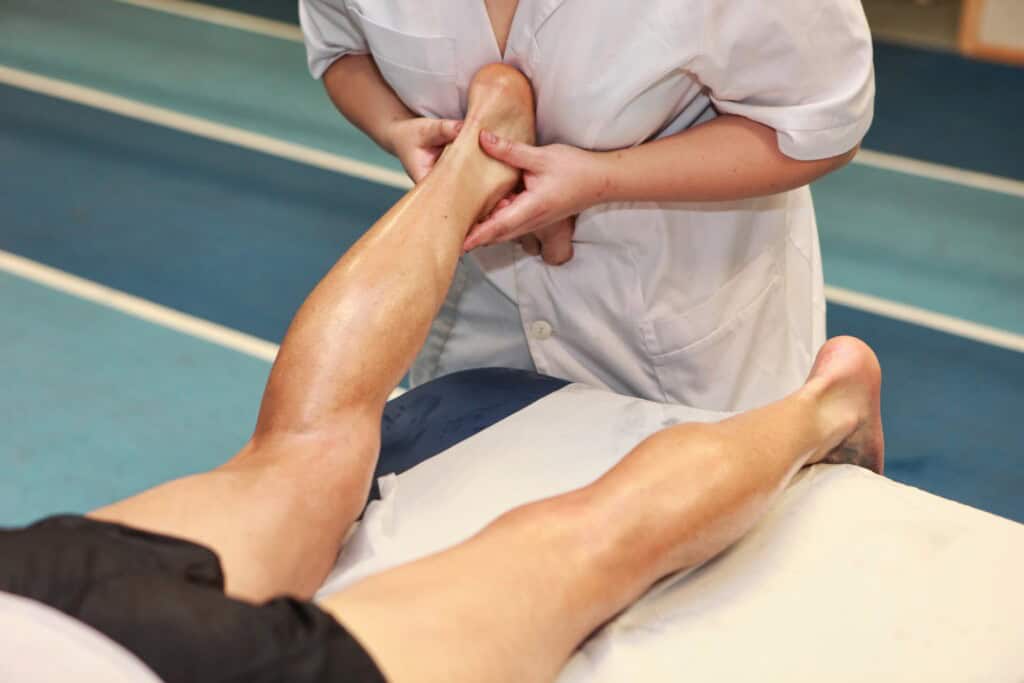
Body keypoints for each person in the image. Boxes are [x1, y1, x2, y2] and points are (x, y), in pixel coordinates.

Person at [0, 66, 882, 683]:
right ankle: (473, 158)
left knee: (585, 547)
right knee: (296, 451)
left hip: (148, 663)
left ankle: (823, 402)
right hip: (29, 596)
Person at [299, 0, 876, 411]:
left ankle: (833, 411)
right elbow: (341, 48)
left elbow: (820, 127)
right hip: (482, 296)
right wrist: (399, 129)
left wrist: (602, 180)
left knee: (704, 545)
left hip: (679, 313)